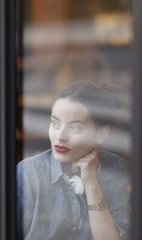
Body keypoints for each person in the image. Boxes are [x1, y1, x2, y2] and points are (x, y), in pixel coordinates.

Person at [17, 81, 130, 240]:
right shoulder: (29, 173)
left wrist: (91, 184)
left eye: (74, 128)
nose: (60, 136)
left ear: (101, 134)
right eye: (55, 123)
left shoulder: (115, 169)